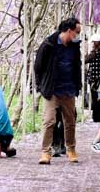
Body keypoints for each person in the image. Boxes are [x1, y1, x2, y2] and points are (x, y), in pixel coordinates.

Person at [34, 17, 83, 164]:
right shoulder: (48, 44)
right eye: (77, 32)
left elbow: (77, 66)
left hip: (69, 89)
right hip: (52, 89)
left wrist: (77, 85)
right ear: (69, 31)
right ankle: (45, 152)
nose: (78, 35)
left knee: (70, 121)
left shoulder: (75, 46)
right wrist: (40, 86)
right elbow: (38, 67)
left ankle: (71, 149)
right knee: (49, 121)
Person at [85, 34, 100, 122]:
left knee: (95, 99)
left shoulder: (94, 53)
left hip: (94, 79)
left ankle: (96, 117)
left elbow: (86, 60)